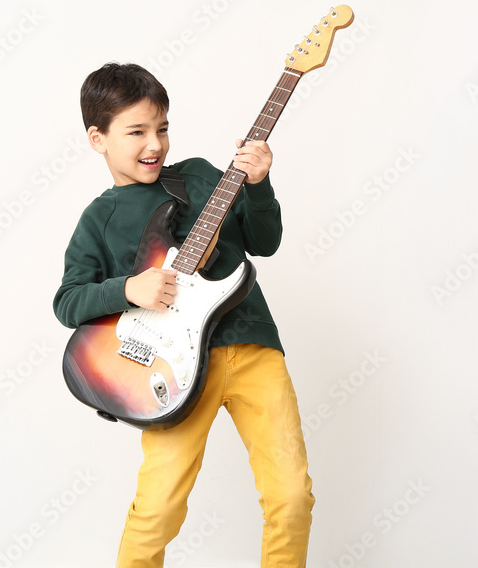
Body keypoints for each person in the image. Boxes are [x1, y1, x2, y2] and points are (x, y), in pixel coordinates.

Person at [53, 62, 314, 567]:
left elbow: (265, 242)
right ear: (97, 138)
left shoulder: (198, 177)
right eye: (137, 132)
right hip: (169, 371)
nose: (155, 144)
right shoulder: (99, 219)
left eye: (163, 128)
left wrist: (258, 185)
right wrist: (128, 288)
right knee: (158, 510)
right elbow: (68, 302)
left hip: (253, 350)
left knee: (291, 498)